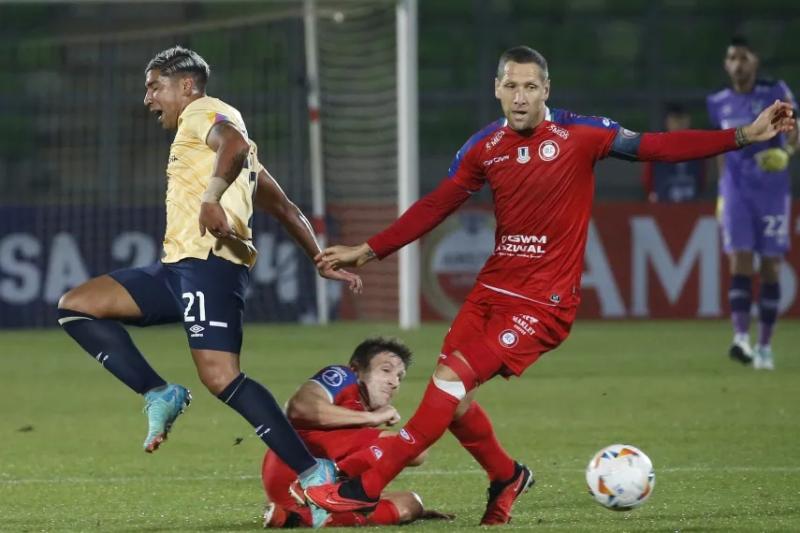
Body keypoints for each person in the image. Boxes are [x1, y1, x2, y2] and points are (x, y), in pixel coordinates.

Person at [302, 45, 795, 525]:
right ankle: (507, 476)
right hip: (492, 291)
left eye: (530, 87)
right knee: (455, 401)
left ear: (546, 90)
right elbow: (436, 206)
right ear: (497, 89)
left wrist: (743, 136)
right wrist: (368, 250)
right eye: (511, 86)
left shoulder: (583, 133)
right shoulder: (483, 148)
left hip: (544, 302)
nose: (520, 97)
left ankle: (361, 489)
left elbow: (656, 147)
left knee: (449, 381)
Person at [56, 46, 360, 524]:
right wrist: (317, 257)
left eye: (155, 86)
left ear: (187, 87)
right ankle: (159, 394)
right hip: (177, 268)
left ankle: (314, 472)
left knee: (220, 376)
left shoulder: (205, 114)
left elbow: (232, 143)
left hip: (209, 264)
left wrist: (212, 198)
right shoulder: (226, 153)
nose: (148, 98)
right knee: (78, 306)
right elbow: (283, 206)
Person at [261, 336, 452, 528]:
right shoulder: (343, 376)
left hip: (293, 498)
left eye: (399, 377)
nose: (394, 382)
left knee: (410, 503)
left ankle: (295, 518)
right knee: (412, 447)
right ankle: (329, 479)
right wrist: (372, 418)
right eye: (386, 370)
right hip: (293, 469)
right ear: (356, 369)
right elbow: (299, 408)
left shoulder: (358, 414)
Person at [707, 36, 799, 370]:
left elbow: (794, 129)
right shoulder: (718, 102)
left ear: (755, 62)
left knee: (771, 265)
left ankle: (765, 346)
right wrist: (721, 193)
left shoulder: (775, 93)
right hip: (735, 192)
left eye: (743, 57)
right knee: (740, 262)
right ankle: (741, 339)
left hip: (772, 191)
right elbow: (719, 146)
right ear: (726, 64)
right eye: (732, 58)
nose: (737, 64)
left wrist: (785, 152)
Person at [641, 102, 707, 202]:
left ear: (688, 121)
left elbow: (701, 176)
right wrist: (652, 194)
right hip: (663, 203)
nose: (679, 125)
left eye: (682, 120)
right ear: (667, 122)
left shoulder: (698, 148)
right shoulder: (655, 147)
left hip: (691, 202)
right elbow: (647, 177)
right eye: (675, 120)